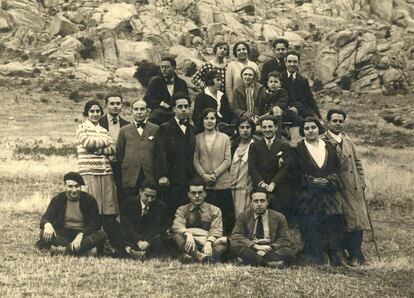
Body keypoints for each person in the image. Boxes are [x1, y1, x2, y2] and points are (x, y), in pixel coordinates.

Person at [291, 117, 346, 267]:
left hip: (329, 195)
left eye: (313, 127)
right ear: (303, 131)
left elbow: (337, 169)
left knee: (333, 225)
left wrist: (329, 180)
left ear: (318, 129)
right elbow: (295, 173)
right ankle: (318, 259)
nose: (310, 131)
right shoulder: (297, 150)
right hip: (309, 196)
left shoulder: (330, 147)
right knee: (313, 226)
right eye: (307, 128)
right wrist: (311, 181)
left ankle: (336, 258)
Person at [321, 109, 370, 266]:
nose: (337, 124)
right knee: (337, 220)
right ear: (328, 122)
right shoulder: (322, 140)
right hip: (333, 186)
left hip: (351, 186)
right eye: (334, 120)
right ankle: (338, 254)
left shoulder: (348, 142)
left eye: (340, 121)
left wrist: (361, 181)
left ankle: (356, 253)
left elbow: (357, 163)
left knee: (356, 220)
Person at [36, 172, 107, 256]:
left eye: (77, 186)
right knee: (44, 232)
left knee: (102, 235)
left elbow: (95, 224)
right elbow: (46, 217)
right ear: (65, 186)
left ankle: (62, 250)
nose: (74, 190)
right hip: (63, 235)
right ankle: (82, 251)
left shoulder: (89, 200)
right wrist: (47, 224)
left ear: (80, 187)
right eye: (70, 186)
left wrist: (81, 235)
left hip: (83, 234)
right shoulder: (58, 199)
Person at [154, 93, 196, 227]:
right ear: (174, 109)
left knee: (186, 212)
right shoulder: (165, 128)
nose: (184, 109)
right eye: (180, 107)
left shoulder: (193, 129)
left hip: (188, 178)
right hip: (171, 178)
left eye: (186, 106)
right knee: (170, 211)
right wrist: (162, 175)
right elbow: (160, 153)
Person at [193, 108, 235, 235]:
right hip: (206, 184)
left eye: (212, 118)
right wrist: (204, 175)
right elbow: (195, 160)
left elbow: (228, 159)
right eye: (206, 118)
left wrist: (215, 174)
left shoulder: (224, 138)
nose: (209, 121)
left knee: (225, 214)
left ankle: (226, 241)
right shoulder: (197, 138)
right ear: (202, 121)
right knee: (207, 215)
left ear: (216, 120)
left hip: (222, 182)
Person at [77, 100, 118, 222]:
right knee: (91, 204)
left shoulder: (104, 130)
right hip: (89, 170)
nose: (95, 114)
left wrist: (100, 151)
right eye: (92, 111)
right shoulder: (81, 128)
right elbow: (88, 144)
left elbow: (113, 148)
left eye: (97, 111)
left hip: (105, 171)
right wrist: (104, 143)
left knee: (107, 206)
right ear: (87, 113)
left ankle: (105, 234)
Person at [230, 191, 295, 268]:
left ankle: (254, 261)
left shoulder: (279, 217)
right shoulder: (243, 216)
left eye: (262, 201)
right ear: (251, 203)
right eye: (255, 201)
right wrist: (255, 246)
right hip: (251, 248)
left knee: (288, 252)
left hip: (270, 248)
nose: (259, 204)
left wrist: (270, 248)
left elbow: (285, 238)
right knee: (241, 250)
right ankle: (268, 264)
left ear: (268, 202)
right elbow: (236, 235)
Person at [102, 181, 165, 258]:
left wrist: (147, 242)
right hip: (130, 236)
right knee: (110, 224)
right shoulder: (128, 203)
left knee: (161, 236)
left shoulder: (160, 206)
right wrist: (137, 241)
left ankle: (127, 252)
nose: (150, 200)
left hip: (147, 238)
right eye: (147, 196)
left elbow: (157, 227)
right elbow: (127, 226)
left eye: (153, 197)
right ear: (140, 192)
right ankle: (130, 250)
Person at [172, 180, 227, 263]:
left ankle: (191, 256)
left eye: (200, 192)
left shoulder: (215, 210)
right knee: (177, 236)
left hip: (209, 242)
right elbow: (177, 226)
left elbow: (217, 230)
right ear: (189, 194)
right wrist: (188, 234)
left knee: (225, 242)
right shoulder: (182, 209)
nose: (197, 196)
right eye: (193, 193)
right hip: (190, 241)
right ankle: (200, 256)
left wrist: (208, 242)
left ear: (205, 193)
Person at [248, 115, 293, 218]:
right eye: (264, 127)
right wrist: (261, 183)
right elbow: (252, 167)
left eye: (270, 127)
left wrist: (274, 183)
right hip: (260, 188)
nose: (267, 130)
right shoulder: (254, 146)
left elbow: (286, 168)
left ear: (276, 127)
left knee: (278, 217)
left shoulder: (284, 145)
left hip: (279, 188)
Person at [116, 99, 159, 200]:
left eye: (142, 109)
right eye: (136, 109)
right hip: (130, 175)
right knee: (131, 202)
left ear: (147, 111)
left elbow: (158, 153)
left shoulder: (156, 129)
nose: (139, 112)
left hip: (149, 174)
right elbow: (120, 153)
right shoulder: (124, 130)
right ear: (131, 111)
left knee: (150, 200)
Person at [99, 93, 130, 205]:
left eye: (118, 103)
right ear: (106, 105)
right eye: (112, 103)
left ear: (122, 105)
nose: (115, 106)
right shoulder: (98, 123)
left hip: (120, 165)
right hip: (102, 163)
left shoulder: (127, 124)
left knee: (122, 193)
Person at [144, 57, 189, 125]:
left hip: (177, 112)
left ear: (174, 68)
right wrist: (161, 103)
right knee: (154, 120)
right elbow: (147, 99)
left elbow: (187, 100)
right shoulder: (155, 82)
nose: (163, 69)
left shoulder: (181, 83)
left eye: (167, 67)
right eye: (162, 67)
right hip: (160, 112)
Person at [280, 51, 321, 120]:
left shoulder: (303, 80)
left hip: (302, 110)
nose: (292, 64)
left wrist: (318, 116)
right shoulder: (279, 78)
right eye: (289, 61)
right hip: (284, 109)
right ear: (285, 62)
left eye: (295, 62)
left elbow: (310, 99)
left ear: (299, 63)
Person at [230, 116, 255, 217]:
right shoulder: (232, 145)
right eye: (242, 127)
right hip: (232, 187)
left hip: (247, 188)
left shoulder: (256, 145)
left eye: (248, 127)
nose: (245, 130)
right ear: (237, 129)